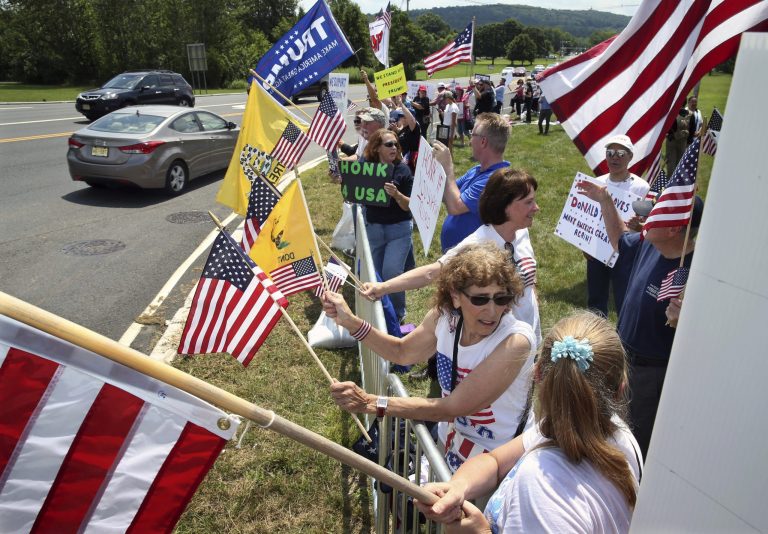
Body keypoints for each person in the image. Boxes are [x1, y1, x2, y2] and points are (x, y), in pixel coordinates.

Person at [416, 311, 642, 533]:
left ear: (536, 373)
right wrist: (459, 486)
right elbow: (495, 462)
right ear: (620, 389)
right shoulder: (612, 433)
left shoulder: (542, 489)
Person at [324, 243, 537, 471]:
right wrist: (350, 322)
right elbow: (402, 353)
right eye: (480, 299)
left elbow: (451, 408)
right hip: (452, 441)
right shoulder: (444, 318)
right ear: (455, 296)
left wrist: (371, 403)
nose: (492, 310)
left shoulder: (516, 341)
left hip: (499, 460)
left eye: (502, 299)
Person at [578, 179, 703, 456]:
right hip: (622, 358)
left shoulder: (697, 274)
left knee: (634, 442)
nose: (645, 216)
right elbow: (620, 239)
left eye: (654, 212)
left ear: (673, 228)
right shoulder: (649, 243)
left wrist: (687, 322)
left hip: (651, 375)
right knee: (606, 426)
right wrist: (605, 200)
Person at [362, 167, 542, 343]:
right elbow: (431, 272)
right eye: (528, 202)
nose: (536, 208)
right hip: (502, 344)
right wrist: (383, 288)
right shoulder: (477, 243)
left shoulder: (522, 233)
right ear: (505, 206)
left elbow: (527, 273)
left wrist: (532, 294)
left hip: (531, 334)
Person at [586, 134, 650, 317]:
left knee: (625, 298)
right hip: (598, 249)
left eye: (621, 153)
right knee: (596, 299)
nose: (615, 157)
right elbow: (588, 217)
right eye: (610, 152)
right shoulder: (597, 183)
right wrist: (585, 244)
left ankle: (624, 336)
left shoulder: (641, 188)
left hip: (626, 251)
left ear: (630, 157)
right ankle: (597, 336)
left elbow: (646, 225)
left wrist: (639, 227)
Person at [434, 112, 511, 252]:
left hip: (471, 258)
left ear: (483, 141)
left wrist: (448, 168)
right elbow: (447, 194)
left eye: (472, 134)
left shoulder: (495, 179)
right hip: (458, 254)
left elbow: (455, 207)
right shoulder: (477, 170)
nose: (470, 141)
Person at [358, 129, 414, 321]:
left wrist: (397, 195)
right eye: (389, 144)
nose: (394, 148)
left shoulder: (403, 170)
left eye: (396, 144)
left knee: (391, 273)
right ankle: (381, 311)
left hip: (399, 230)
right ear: (376, 148)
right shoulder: (366, 167)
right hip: (374, 229)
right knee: (376, 274)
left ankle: (397, 314)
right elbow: (354, 190)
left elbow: (409, 205)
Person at [665, 105, 693, 175]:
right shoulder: (691, 115)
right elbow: (692, 130)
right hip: (683, 142)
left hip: (672, 141)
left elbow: (667, 128)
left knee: (672, 165)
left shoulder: (672, 113)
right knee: (679, 165)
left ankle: (671, 182)